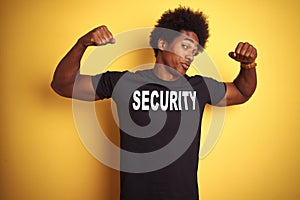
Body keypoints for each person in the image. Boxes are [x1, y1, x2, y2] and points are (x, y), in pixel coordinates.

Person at [51, 6, 257, 200]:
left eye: (194, 52)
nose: (190, 56)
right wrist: (82, 44)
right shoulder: (124, 82)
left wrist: (248, 65)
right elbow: (63, 84)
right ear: (163, 44)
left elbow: (241, 91)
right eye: (185, 46)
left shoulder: (199, 87)